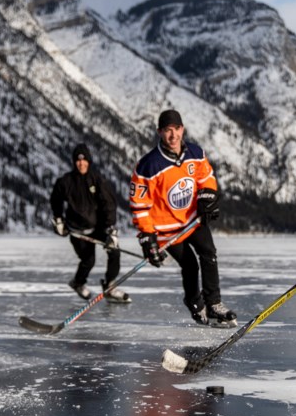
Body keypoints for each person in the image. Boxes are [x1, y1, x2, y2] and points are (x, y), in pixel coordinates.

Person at [129, 109, 237, 326]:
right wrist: (147, 236)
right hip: (167, 229)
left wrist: (208, 196)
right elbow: (140, 205)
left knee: (209, 253)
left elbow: (206, 178)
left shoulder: (195, 154)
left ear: (182, 129)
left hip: (192, 221)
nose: (173, 135)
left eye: (177, 129)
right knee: (190, 265)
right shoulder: (148, 165)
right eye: (168, 131)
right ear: (160, 132)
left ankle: (214, 304)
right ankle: (195, 303)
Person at [50, 143, 131, 303]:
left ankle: (110, 286)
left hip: (98, 227)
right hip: (77, 231)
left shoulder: (97, 180)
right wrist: (59, 220)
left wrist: (111, 229)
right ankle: (78, 283)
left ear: (89, 161)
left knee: (114, 251)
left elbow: (109, 204)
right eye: (78, 160)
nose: (81, 163)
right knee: (89, 260)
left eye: (84, 160)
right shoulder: (65, 182)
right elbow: (55, 200)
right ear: (74, 162)